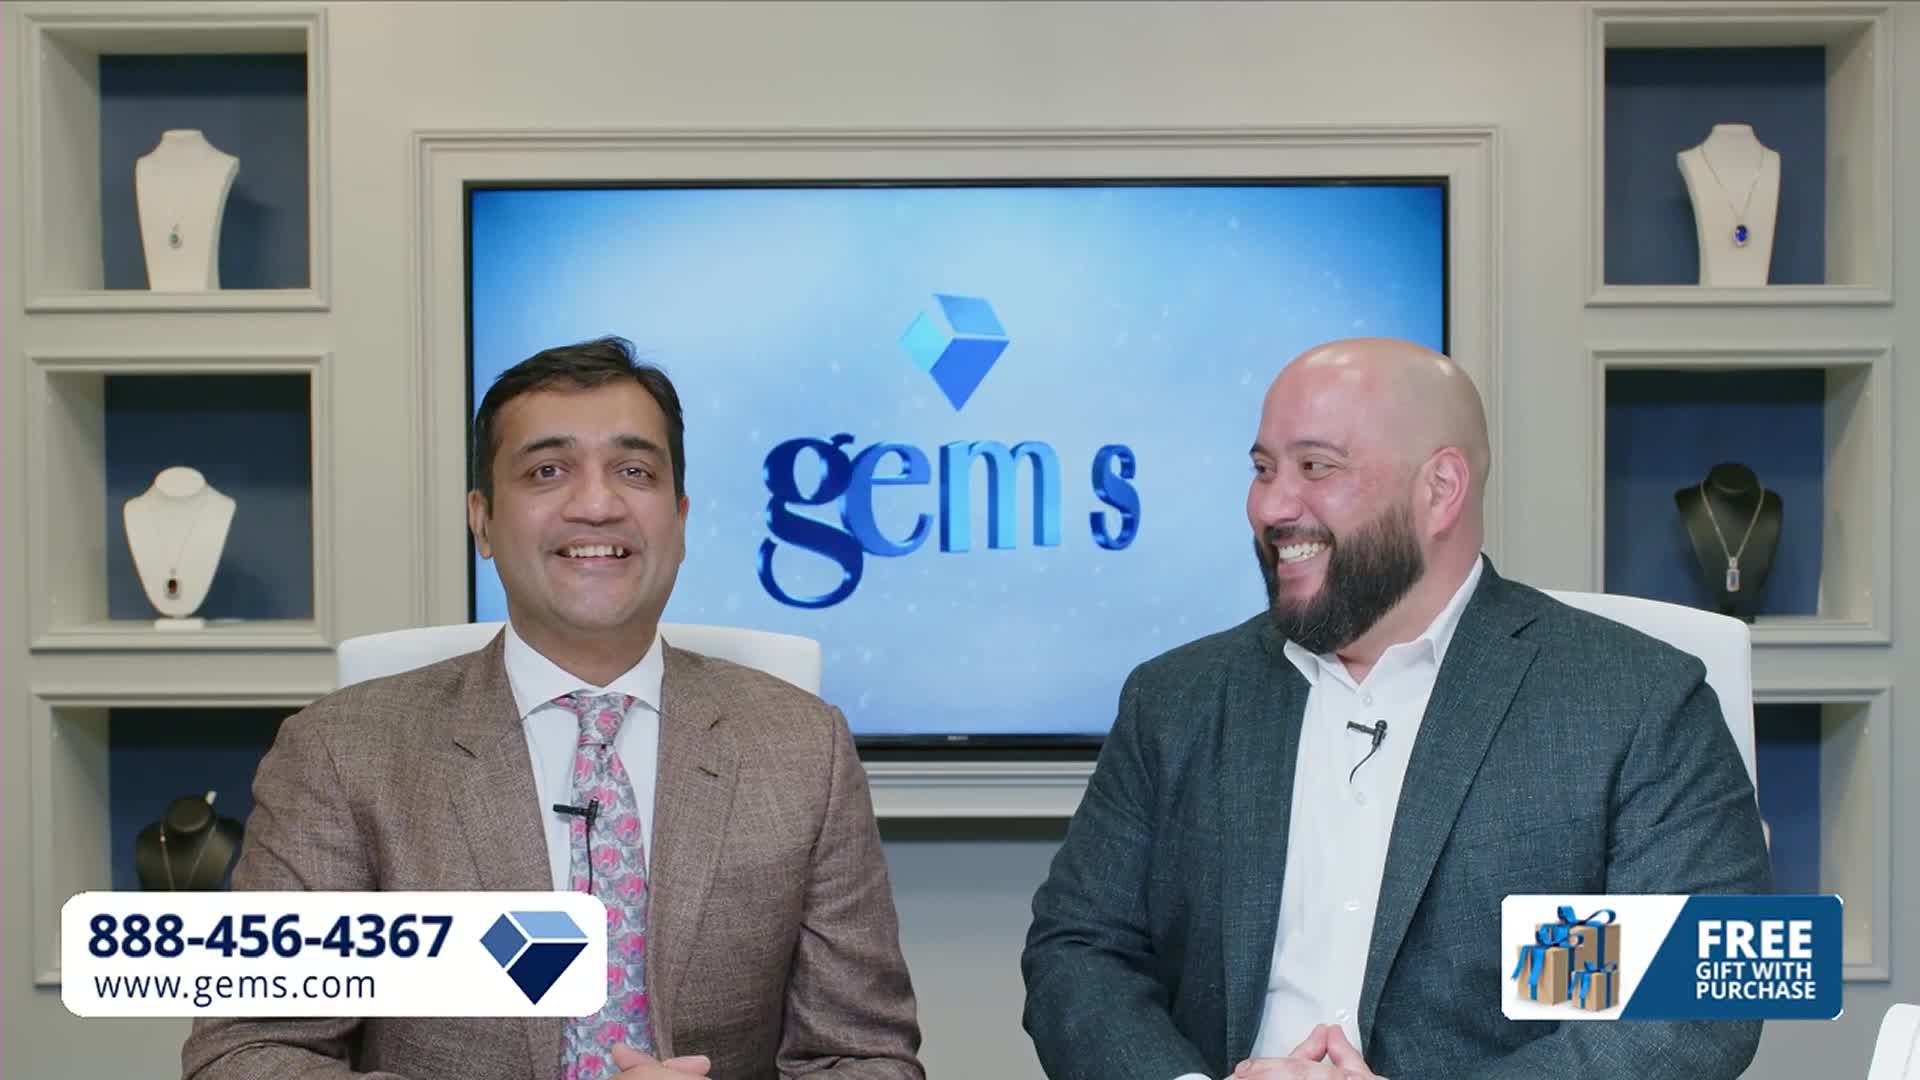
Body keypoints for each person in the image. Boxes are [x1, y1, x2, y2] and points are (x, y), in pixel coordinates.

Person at [1020, 337, 1773, 1080]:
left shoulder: (1635, 701)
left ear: (1439, 489)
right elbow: (1079, 950)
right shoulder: (1176, 700)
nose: (1272, 506)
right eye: (1262, 470)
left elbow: (1703, 1003)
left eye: (1316, 467)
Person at [182, 337, 924, 1080]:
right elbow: (247, 1052)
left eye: (634, 471)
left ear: (680, 518)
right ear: (483, 521)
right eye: (547, 471)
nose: (597, 505)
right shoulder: (342, 754)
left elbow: (865, 1057)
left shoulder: (803, 749)